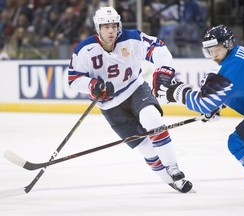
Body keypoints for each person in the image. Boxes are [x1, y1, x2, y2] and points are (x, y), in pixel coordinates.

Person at [152, 24, 244, 204]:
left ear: (228, 45)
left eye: (217, 50)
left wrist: (176, 92)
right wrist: (218, 104)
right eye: (209, 51)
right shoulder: (241, 53)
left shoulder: (230, 67)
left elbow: (203, 103)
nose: (214, 55)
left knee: (237, 143)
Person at [67, 6, 192, 193]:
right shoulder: (85, 49)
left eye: (114, 26)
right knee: (146, 149)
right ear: (97, 28)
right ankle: (173, 181)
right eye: (105, 26)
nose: (111, 30)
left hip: (135, 90)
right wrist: (93, 86)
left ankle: (173, 167)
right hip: (110, 107)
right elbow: (73, 79)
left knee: (153, 119)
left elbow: (158, 47)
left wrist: (164, 68)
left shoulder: (131, 38)